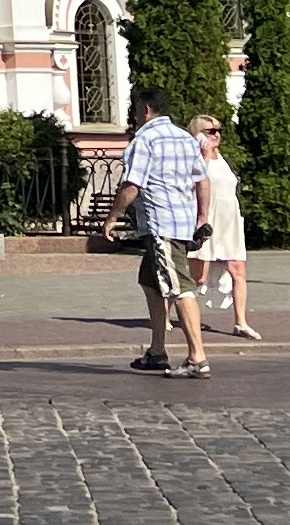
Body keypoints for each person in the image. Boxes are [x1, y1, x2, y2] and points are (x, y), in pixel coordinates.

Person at [108, 86, 210, 376]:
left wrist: (113, 216)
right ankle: (157, 351)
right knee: (151, 282)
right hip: (180, 223)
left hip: (160, 225)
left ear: (146, 110)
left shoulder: (145, 140)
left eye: (137, 109)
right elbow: (202, 180)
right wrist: (201, 216)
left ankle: (197, 358)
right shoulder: (185, 138)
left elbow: (132, 185)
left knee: (180, 289)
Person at [187, 115, 260, 340]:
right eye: (210, 131)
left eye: (218, 130)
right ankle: (167, 311)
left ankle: (240, 322)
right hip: (208, 220)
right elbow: (193, 185)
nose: (216, 134)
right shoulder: (196, 158)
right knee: (198, 276)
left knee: (238, 270)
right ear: (199, 133)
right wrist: (205, 155)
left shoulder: (221, 158)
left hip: (229, 221)